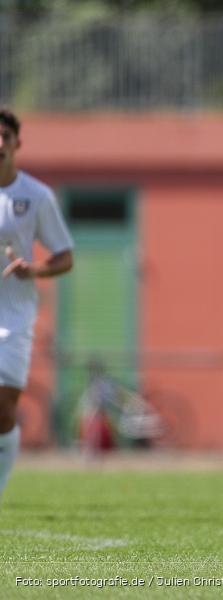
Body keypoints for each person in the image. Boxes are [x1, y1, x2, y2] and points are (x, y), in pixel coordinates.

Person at [0, 108, 74, 504]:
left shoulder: (36, 195)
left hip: (13, 318)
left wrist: (35, 270)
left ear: (17, 143)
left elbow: (65, 256)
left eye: (4, 136)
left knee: (4, 410)